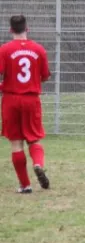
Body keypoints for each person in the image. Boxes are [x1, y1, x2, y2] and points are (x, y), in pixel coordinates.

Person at [0, 15, 51, 193]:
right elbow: (44, 76)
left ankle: (25, 185)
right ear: (26, 29)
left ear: (11, 30)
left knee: (16, 143)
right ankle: (38, 164)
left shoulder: (4, 50)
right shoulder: (38, 49)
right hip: (31, 99)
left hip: (11, 99)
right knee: (34, 138)